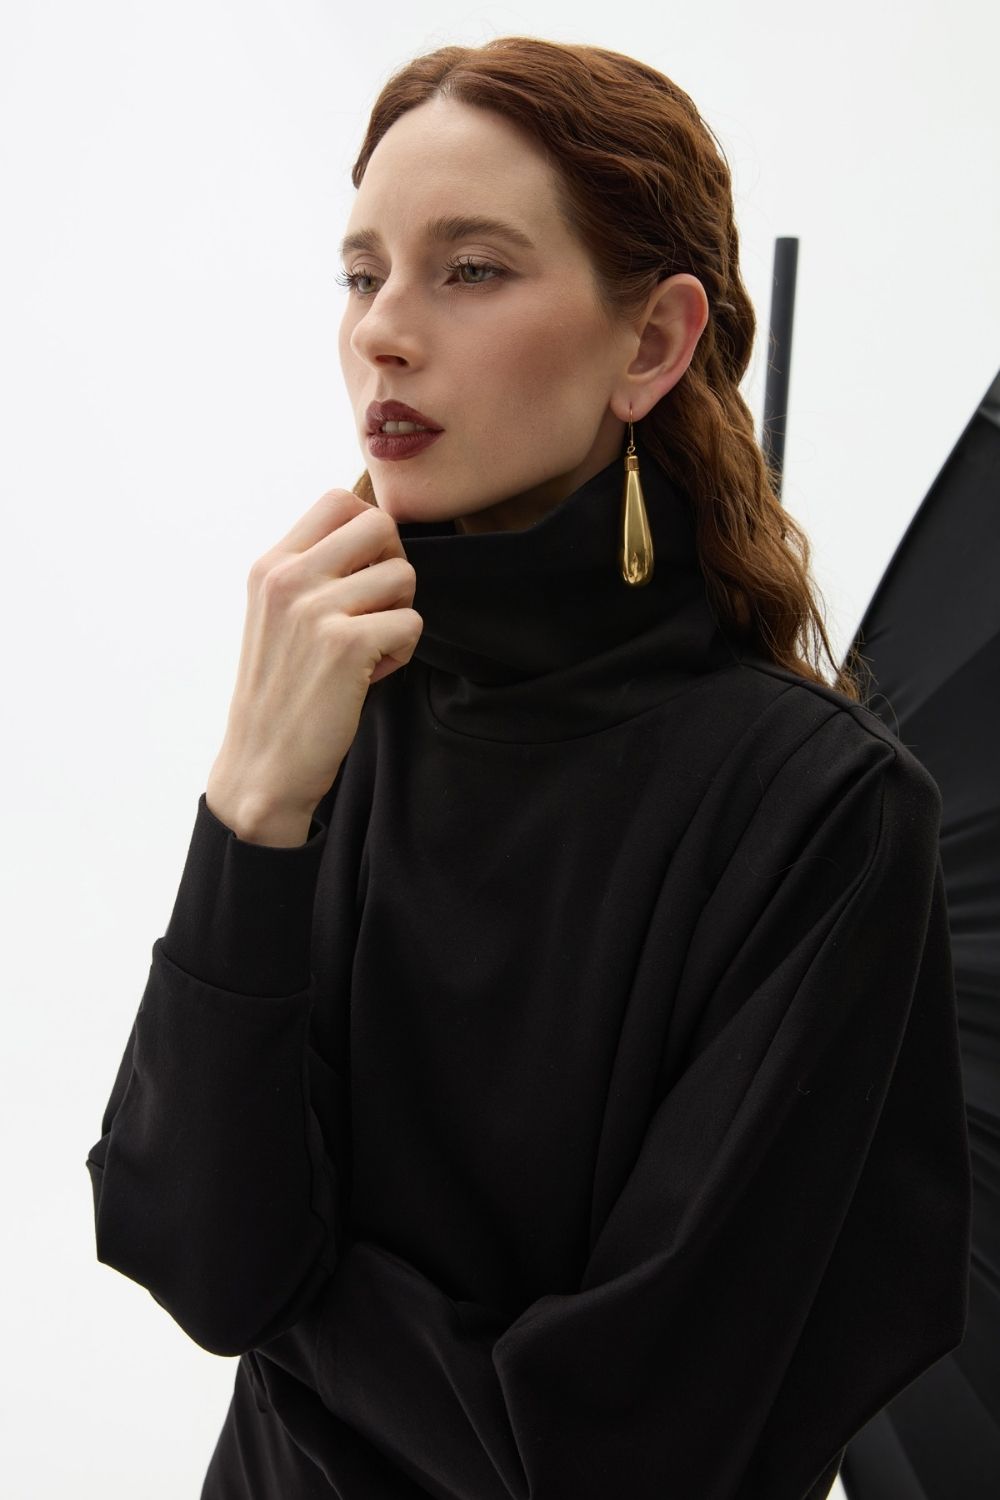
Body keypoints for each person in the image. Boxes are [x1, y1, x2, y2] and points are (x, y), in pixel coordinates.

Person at [85, 35, 972, 1500]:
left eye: (472, 269)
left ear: (653, 343)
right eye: (361, 273)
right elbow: (179, 1238)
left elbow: (624, 1451)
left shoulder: (824, 818)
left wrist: (294, 1286)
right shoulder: (335, 712)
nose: (384, 332)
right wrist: (251, 804)